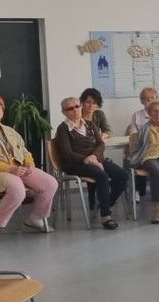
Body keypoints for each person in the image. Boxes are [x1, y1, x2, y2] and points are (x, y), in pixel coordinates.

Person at [0, 95, 59, 245]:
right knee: (17, 188)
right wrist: (10, 168)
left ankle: (36, 218)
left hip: (17, 169)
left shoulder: (10, 130)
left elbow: (25, 151)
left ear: (3, 110)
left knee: (50, 183)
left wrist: (30, 164)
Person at [54, 96, 127, 230]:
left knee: (122, 175)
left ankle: (107, 203)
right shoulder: (63, 129)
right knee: (102, 176)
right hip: (76, 164)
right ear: (64, 112)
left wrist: (94, 156)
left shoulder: (90, 124)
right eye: (70, 108)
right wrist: (86, 159)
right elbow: (67, 153)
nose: (75, 110)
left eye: (77, 106)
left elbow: (100, 144)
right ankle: (106, 216)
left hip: (96, 159)